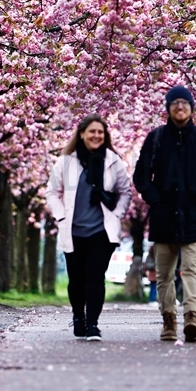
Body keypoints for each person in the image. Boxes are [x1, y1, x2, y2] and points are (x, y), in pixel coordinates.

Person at [133, 85, 196, 342]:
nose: (180, 107)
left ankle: (191, 317)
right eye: (175, 103)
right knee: (164, 274)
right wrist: (156, 200)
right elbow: (141, 175)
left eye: (185, 103)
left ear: (192, 108)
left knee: (192, 269)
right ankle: (169, 320)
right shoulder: (157, 138)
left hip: (193, 216)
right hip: (163, 217)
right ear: (168, 108)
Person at [46, 114, 132, 341]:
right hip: (73, 230)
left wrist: (117, 213)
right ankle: (78, 317)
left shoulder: (113, 161)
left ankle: (93, 323)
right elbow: (52, 192)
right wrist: (60, 217)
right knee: (77, 280)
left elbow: (126, 192)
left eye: (100, 132)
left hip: (101, 231)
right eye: (92, 131)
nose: (96, 136)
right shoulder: (66, 161)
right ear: (82, 134)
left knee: (95, 276)